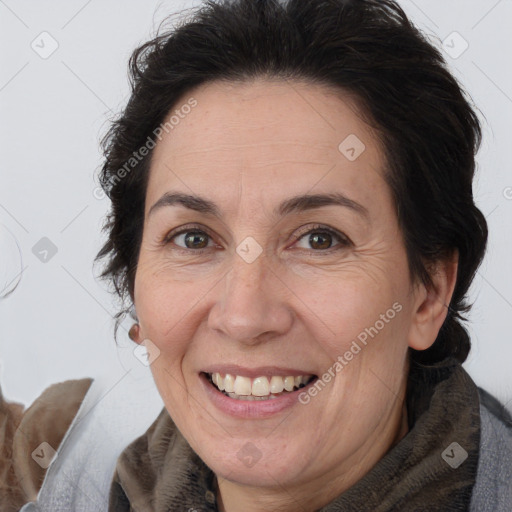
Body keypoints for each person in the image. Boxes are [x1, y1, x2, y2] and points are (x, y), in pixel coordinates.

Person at [2, 0, 512, 510]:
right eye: (194, 239)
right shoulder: (49, 464)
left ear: (429, 293)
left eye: (320, 239)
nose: (244, 317)